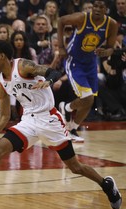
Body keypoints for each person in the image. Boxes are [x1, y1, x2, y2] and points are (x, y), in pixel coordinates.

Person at [0, 40, 122, 209]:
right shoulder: (1, 85)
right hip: (28, 121)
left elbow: (52, 72)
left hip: (50, 120)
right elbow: (4, 116)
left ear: (2, 56)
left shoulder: (22, 66)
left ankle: (106, 184)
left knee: (75, 167)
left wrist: (47, 81)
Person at [57, 0, 118, 142]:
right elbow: (61, 21)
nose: (96, 9)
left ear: (106, 9)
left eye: (100, 7)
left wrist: (105, 52)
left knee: (89, 102)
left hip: (90, 63)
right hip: (74, 62)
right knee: (88, 98)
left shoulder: (112, 24)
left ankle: (72, 128)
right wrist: (60, 47)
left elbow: (110, 47)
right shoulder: (82, 18)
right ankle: (66, 108)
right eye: (94, 6)